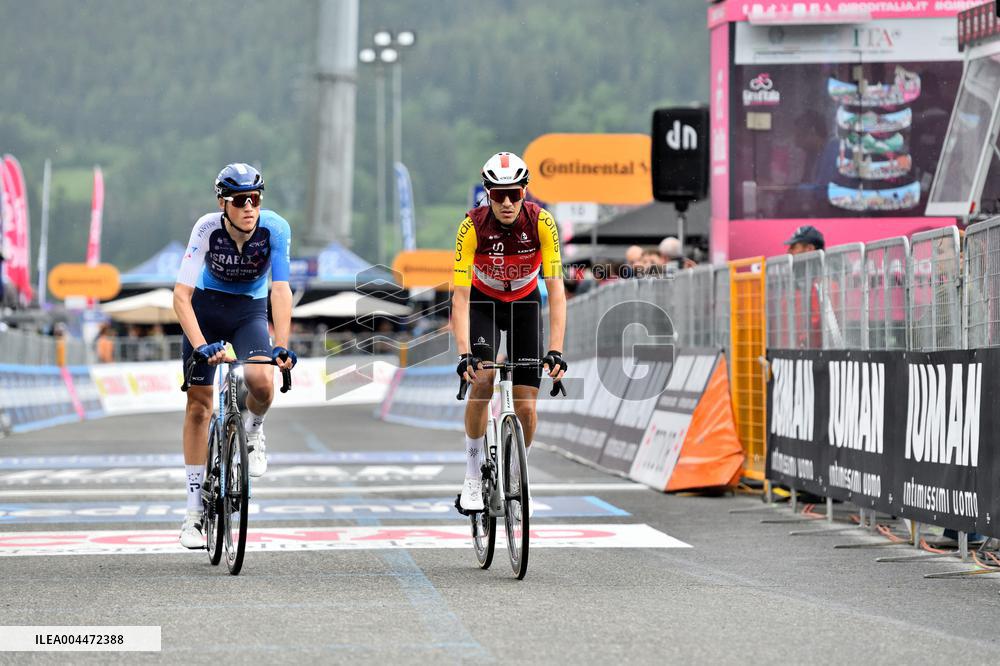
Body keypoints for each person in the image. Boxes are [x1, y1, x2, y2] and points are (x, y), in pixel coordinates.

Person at [172, 163, 297, 549]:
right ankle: (194, 513)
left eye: (255, 199)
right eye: (240, 200)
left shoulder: (275, 228)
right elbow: (181, 296)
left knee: (262, 382)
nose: (249, 207)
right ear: (222, 203)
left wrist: (282, 344)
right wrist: (199, 346)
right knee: (199, 407)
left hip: (248, 310)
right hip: (206, 309)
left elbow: (280, 290)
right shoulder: (206, 229)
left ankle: (255, 432)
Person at [452, 152, 567, 512]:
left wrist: (557, 351)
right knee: (483, 380)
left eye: (514, 194)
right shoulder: (471, 226)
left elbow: (558, 290)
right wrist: (462, 354)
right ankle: (472, 474)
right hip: (484, 303)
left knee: (527, 407)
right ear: (486, 193)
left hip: (524, 304)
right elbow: (459, 294)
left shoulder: (542, 223)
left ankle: (517, 472)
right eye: (498, 195)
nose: (506, 203)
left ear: (525, 191)